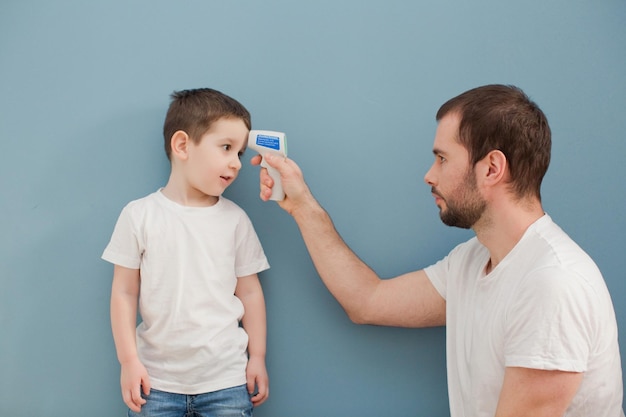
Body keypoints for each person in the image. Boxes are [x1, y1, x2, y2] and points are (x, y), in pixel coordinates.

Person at [251, 84, 624, 417]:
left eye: (442, 158)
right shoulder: (473, 261)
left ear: (492, 168)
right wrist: (302, 205)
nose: (429, 175)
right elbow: (368, 300)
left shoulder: (552, 284)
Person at [103, 88, 270, 416]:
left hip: (227, 381)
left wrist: (258, 357)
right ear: (182, 145)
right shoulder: (139, 215)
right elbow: (123, 292)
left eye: (238, 153)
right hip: (156, 383)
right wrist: (128, 361)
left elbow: (250, 293)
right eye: (226, 148)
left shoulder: (235, 220)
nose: (236, 164)